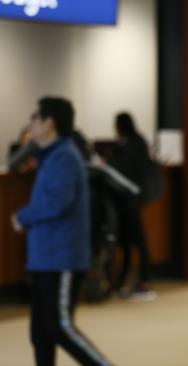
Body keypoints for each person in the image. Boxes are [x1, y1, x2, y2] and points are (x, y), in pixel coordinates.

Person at [11, 96, 112, 366]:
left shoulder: (65, 157)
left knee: (60, 328)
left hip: (61, 258)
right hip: (45, 257)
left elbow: (57, 203)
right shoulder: (51, 156)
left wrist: (23, 216)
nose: (31, 125)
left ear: (49, 123)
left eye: (35, 119)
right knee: (40, 333)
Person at [107, 112, 156, 300]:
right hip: (133, 200)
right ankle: (123, 281)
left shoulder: (130, 146)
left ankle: (143, 281)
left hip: (129, 201)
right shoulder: (138, 143)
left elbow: (123, 170)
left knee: (135, 242)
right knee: (129, 242)